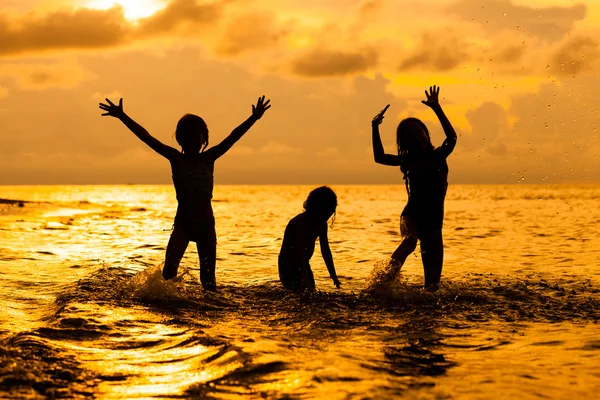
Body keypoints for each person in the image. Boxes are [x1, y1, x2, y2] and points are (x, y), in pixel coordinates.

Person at [99, 96, 271, 291]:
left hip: (206, 225)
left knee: (208, 280)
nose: (193, 141)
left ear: (204, 138)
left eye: (197, 136)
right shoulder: (175, 158)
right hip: (183, 225)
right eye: (187, 136)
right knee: (168, 275)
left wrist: (254, 118)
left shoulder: (209, 157)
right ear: (180, 138)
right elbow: (146, 137)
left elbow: (233, 136)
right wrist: (122, 116)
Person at [371, 86, 457, 290]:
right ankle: (380, 286)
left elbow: (452, 138)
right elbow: (379, 157)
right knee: (410, 241)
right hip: (412, 216)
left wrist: (437, 108)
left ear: (426, 134)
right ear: (405, 143)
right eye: (410, 136)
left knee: (433, 286)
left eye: (418, 133)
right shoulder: (407, 160)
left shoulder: (438, 157)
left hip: (434, 223)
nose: (416, 138)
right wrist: (375, 127)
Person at [279, 186, 341, 293]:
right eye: (326, 211)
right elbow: (298, 251)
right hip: (287, 263)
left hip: (304, 262)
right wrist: (304, 274)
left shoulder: (322, 224)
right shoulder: (298, 223)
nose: (328, 216)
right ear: (316, 207)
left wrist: (333, 275)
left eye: (331, 212)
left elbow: (325, 250)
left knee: (310, 291)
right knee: (297, 292)